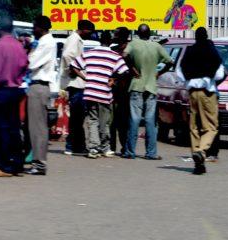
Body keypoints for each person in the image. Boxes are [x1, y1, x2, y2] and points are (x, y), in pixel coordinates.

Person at [71, 31, 129, 159]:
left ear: (99, 40)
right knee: (105, 121)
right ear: (110, 42)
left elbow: (74, 65)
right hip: (104, 92)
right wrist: (114, 79)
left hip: (90, 91)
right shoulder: (115, 56)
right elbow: (125, 72)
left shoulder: (89, 53)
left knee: (92, 120)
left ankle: (93, 148)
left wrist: (85, 78)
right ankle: (105, 148)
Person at [176, 27, 226, 175]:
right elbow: (219, 74)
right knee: (210, 127)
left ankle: (198, 161)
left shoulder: (189, 51)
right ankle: (202, 151)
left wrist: (190, 79)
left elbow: (179, 72)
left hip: (192, 92)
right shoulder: (212, 51)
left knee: (194, 126)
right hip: (207, 92)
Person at [123, 24, 173, 160]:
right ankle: (151, 153)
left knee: (134, 119)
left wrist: (132, 68)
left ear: (138, 33)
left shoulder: (133, 43)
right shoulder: (156, 46)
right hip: (151, 86)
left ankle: (130, 152)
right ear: (150, 33)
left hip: (136, 85)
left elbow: (124, 55)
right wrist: (159, 73)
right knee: (150, 121)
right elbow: (170, 61)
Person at [0, 16, 28, 178]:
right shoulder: (19, 46)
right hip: (16, 90)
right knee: (14, 127)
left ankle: (4, 166)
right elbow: (25, 65)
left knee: (2, 128)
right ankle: (18, 164)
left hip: (2, 90)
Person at [25, 15, 56, 175]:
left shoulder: (46, 43)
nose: (33, 30)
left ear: (41, 28)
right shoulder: (44, 42)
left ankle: (40, 163)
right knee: (36, 127)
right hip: (37, 86)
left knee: (38, 128)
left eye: (34, 26)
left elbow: (31, 63)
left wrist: (28, 50)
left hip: (39, 86)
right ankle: (37, 162)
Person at [60, 20, 95, 155]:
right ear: (83, 29)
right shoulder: (74, 39)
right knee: (77, 117)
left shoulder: (76, 39)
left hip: (77, 83)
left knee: (78, 117)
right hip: (76, 84)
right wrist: (74, 70)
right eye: (90, 31)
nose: (91, 34)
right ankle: (72, 146)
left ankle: (77, 146)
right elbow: (67, 56)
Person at [110, 26, 133, 154]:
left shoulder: (130, 50)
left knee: (123, 120)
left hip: (126, 90)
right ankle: (112, 146)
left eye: (116, 34)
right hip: (114, 89)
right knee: (112, 121)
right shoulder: (113, 50)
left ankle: (125, 146)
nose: (114, 36)